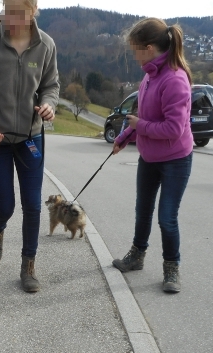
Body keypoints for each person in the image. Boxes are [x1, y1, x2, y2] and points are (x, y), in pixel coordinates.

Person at [0, 0, 59, 293]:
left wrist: (49, 105)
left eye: (19, 12)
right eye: (8, 10)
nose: (11, 18)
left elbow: (51, 85)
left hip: (31, 137)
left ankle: (28, 266)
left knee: (33, 205)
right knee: (5, 205)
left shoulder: (45, 45)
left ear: (33, 12)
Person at [112, 17, 193, 293]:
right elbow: (141, 117)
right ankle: (137, 256)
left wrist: (139, 127)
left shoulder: (175, 79)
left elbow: (173, 128)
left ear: (148, 48)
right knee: (142, 210)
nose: (133, 55)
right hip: (149, 157)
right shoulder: (149, 76)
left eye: (135, 49)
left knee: (166, 217)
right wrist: (123, 137)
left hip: (175, 160)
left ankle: (172, 269)